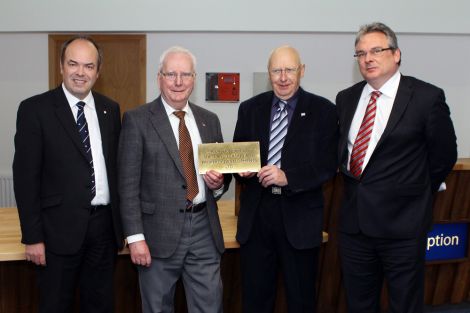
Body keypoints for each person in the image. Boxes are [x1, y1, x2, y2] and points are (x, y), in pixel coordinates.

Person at [336, 22, 458, 313]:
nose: (368, 58)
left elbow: (444, 155)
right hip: (355, 228)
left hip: (403, 228)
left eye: (376, 50)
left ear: (397, 54)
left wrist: (415, 191)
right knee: (359, 304)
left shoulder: (426, 97)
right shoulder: (346, 98)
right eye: (360, 53)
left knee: (405, 305)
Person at [13, 35, 123, 313]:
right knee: (55, 305)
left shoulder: (111, 109)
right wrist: (33, 236)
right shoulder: (35, 110)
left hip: (103, 231)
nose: (80, 72)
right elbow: (26, 179)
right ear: (61, 66)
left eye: (88, 66)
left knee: (99, 305)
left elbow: (117, 169)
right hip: (55, 234)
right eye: (73, 64)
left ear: (98, 72)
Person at [118, 46, 232, 313]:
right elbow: (127, 185)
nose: (178, 82)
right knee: (157, 308)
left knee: (210, 307)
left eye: (185, 74)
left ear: (194, 78)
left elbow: (220, 174)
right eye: (171, 74)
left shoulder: (209, 120)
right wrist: (135, 238)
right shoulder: (137, 120)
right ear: (159, 77)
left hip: (204, 228)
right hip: (157, 234)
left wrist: (217, 184)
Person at [233, 45, 338, 313]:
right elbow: (238, 155)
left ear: (302, 71)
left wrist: (287, 177)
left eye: (289, 70)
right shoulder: (250, 109)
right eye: (276, 70)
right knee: (255, 299)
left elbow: (327, 165)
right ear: (269, 74)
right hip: (257, 218)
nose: (283, 77)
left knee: (301, 300)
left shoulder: (324, 110)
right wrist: (240, 171)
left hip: (300, 217)